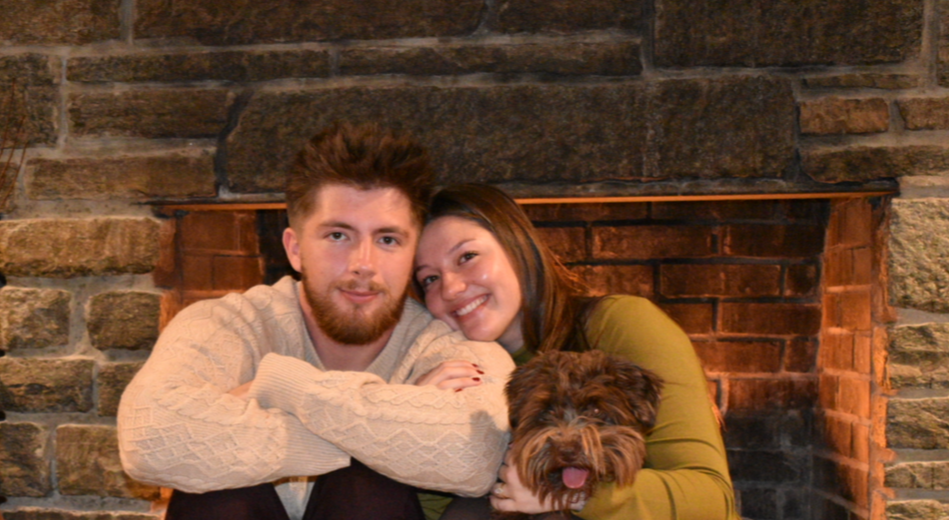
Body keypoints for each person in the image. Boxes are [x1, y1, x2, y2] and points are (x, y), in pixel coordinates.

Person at [117, 125, 514, 520]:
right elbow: (148, 437)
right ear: (294, 249)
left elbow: (477, 458)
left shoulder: (447, 345)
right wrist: (398, 411)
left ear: (412, 252)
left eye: (388, 240)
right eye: (338, 235)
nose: (364, 264)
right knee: (218, 494)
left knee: (368, 489)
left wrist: (277, 387)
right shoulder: (228, 324)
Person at [412, 184, 739, 520]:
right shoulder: (455, 371)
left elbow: (711, 499)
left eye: (467, 257)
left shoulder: (619, 323)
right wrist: (416, 423)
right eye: (430, 279)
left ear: (518, 248)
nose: (450, 288)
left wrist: (572, 497)